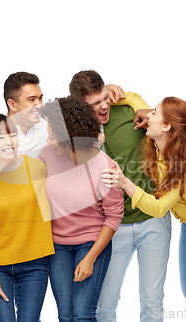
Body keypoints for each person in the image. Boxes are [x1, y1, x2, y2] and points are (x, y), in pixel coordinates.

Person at [101, 97, 186, 322]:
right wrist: (111, 88)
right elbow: (130, 97)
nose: (146, 115)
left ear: (167, 126)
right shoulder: (156, 148)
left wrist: (124, 182)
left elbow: (159, 208)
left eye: (153, 114)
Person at [69, 70, 172, 322]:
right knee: (104, 304)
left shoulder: (129, 111)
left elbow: (162, 125)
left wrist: (133, 100)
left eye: (105, 97)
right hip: (112, 227)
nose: (104, 105)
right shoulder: (76, 133)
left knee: (152, 301)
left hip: (153, 220)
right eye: (95, 104)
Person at [38, 96, 124, 321]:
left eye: (54, 136)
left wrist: (91, 258)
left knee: (83, 314)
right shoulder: (47, 155)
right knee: (66, 315)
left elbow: (114, 217)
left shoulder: (105, 166)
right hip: (58, 246)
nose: (49, 140)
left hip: (91, 242)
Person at [0, 114, 54, 322]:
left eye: (13, 135)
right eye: (0, 138)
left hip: (35, 263)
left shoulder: (37, 168)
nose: (9, 142)